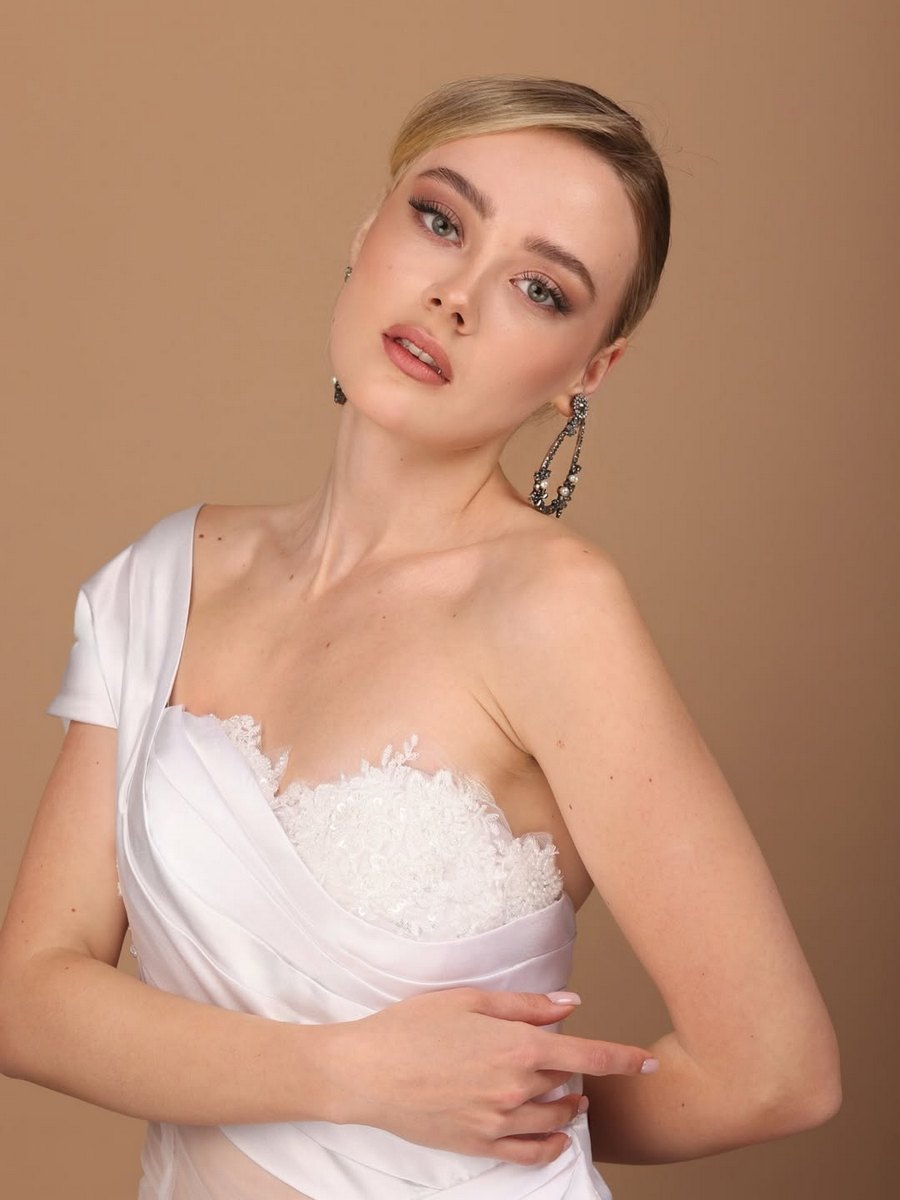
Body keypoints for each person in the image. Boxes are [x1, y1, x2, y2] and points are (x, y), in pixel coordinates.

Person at [0, 74, 840, 1199]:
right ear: (367, 232)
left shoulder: (552, 610)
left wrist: (496, 1113)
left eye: (540, 288)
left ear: (587, 373)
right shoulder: (161, 582)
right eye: (442, 221)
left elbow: (774, 1074)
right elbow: (27, 999)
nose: (457, 296)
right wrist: (349, 1077)